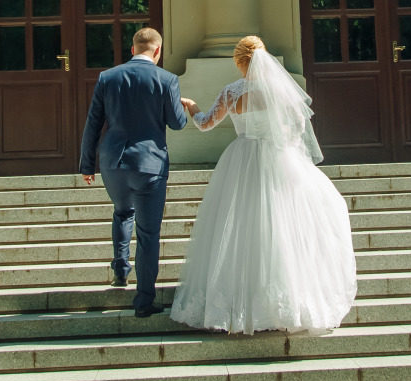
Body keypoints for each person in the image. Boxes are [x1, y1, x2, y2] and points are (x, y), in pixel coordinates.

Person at [171, 35, 357, 334]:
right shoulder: (281, 91)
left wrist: (192, 106)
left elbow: (205, 123)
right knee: (283, 226)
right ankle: (287, 300)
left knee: (242, 227)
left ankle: (240, 300)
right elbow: (297, 129)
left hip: (242, 159)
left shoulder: (233, 91)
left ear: (239, 62)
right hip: (278, 158)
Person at [78, 26, 195, 318]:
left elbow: (94, 122)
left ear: (133, 49)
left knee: (122, 211)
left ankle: (120, 270)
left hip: (112, 162)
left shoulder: (108, 77)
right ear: (158, 50)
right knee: (148, 233)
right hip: (149, 165)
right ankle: (143, 301)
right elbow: (177, 123)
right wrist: (183, 106)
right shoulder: (167, 79)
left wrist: (86, 164)